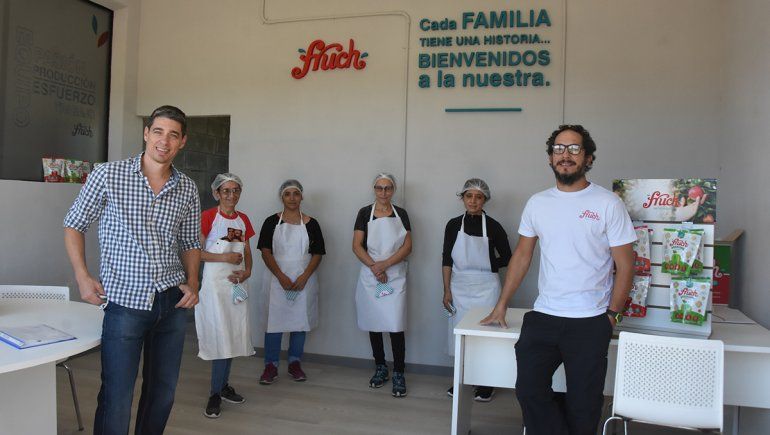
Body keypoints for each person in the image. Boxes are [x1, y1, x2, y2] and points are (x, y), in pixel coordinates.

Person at [481, 124, 636, 435]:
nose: (566, 155)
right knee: (528, 391)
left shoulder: (608, 203)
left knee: (585, 403)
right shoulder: (538, 203)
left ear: (588, 158)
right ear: (550, 158)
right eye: (559, 149)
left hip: (590, 320)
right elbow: (522, 257)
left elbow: (626, 265)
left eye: (574, 149)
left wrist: (611, 315)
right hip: (544, 316)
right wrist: (502, 304)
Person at [63, 105, 201, 434]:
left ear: (182, 141)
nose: (163, 141)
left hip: (171, 303)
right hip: (124, 302)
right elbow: (73, 224)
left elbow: (190, 242)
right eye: (158, 132)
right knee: (117, 395)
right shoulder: (108, 175)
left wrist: (193, 281)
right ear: (145, 133)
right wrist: (83, 277)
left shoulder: (187, 188)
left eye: (172, 135)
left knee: (163, 394)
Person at [442, 178, 511, 402]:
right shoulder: (453, 225)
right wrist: (446, 290)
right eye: (469, 196)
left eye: (478, 197)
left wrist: (490, 264)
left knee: (487, 334)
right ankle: (462, 379)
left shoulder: (493, 226)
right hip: (459, 285)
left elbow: (509, 257)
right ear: (462, 198)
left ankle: (486, 383)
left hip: (487, 286)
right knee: (461, 335)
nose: (473, 201)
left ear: (485, 200)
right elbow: (446, 259)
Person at [196, 173, 256, 418]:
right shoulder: (208, 217)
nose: (232, 195)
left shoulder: (243, 220)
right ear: (217, 193)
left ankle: (223, 386)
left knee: (232, 334)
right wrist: (225, 258)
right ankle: (214, 393)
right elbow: (196, 253)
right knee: (218, 336)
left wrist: (247, 271)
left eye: (236, 191)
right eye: (226, 191)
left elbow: (247, 251)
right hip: (214, 288)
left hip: (236, 285)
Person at [257, 179, 325, 384]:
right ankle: (271, 365)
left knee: (299, 322)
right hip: (277, 279)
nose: (292, 198)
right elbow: (265, 251)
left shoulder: (312, 224)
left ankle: (295, 363)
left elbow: (318, 254)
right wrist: (280, 275)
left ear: (302, 196)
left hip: (304, 280)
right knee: (274, 323)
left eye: (296, 194)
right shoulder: (271, 222)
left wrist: (304, 276)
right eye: (288, 194)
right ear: (282, 197)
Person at [353, 172, 413, 398]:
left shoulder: (402, 214)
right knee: (374, 322)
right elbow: (357, 245)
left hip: (395, 273)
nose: (383, 192)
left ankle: (399, 372)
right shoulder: (364, 213)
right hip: (371, 275)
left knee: (396, 324)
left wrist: (385, 264)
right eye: (379, 188)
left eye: (388, 188)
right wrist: (374, 267)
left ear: (393, 190)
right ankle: (380, 367)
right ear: (374, 189)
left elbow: (408, 246)